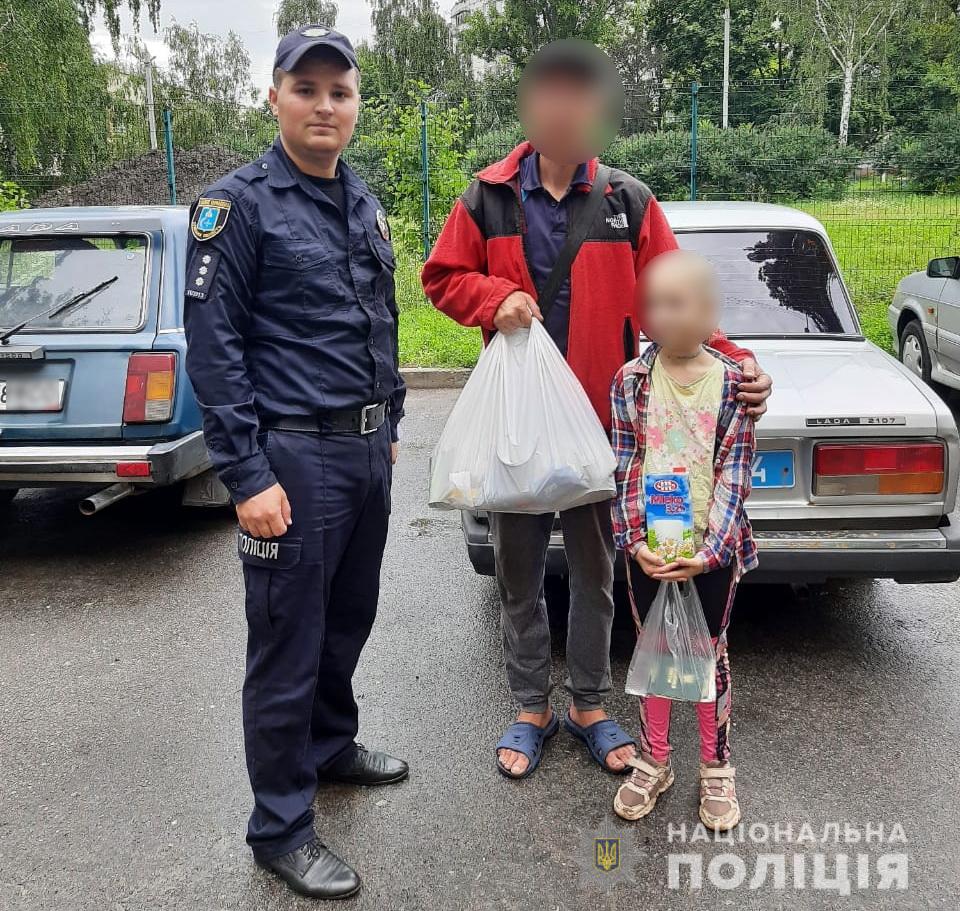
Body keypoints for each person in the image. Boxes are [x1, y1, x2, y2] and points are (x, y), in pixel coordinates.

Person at [421, 40, 772, 780]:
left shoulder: (627, 201)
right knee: (518, 576)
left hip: (605, 436)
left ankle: (587, 703)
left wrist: (736, 361)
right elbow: (442, 277)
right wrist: (493, 297)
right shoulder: (487, 198)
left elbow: (674, 300)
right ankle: (529, 706)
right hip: (518, 433)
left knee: (596, 574)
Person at [182, 26, 407, 900]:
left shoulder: (362, 200)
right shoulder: (235, 207)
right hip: (293, 456)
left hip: (364, 449)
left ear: (356, 105)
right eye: (305, 88)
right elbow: (215, 351)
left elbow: (379, 318)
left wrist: (390, 422)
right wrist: (247, 475)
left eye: (339, 91)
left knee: (347, 617)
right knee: (287, 642)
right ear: (273, 97)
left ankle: (329, 745)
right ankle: (279, 825)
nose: (323, 105)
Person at [609, 250, 757, 831]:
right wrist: (633, 540)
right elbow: (624, 463)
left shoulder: (734, 385)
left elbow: (736, 473)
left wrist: (710, 552)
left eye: (678, 303)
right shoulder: (630, 381)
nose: (662, 316)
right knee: (656, 650)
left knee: (708, 652)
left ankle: (716, 765)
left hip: (711, 551)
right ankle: (655, 758)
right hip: (650, 548)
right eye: (654, 304)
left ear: (710, 312)